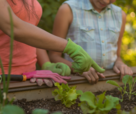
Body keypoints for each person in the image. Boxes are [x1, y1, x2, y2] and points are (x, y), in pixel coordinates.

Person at [0, 0, 104, 86]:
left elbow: (30, 33)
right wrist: (70, 47)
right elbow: (14, 27)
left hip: (28, 77)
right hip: (3, 78)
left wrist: (46, 64)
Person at [49, 0, 133, 84]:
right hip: (76, 82)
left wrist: (119, 63)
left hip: (110, 82)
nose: (106, 1)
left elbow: (117, 56)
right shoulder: (68, 9)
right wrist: (77, 69)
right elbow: (54, 56)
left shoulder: (120, 15)